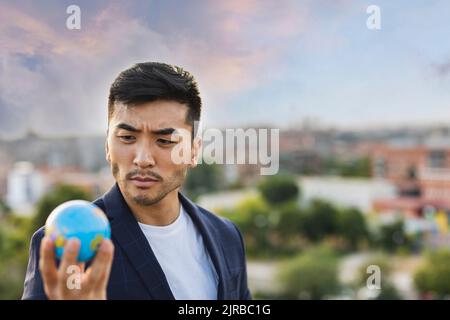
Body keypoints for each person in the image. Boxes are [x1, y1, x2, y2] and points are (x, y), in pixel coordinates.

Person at [22, 62, 251, 300]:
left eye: (164, 141)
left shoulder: (226, 236)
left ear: (193, 151)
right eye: (127, 137)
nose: (142, 159)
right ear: (107, 146)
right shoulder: (67, 244)